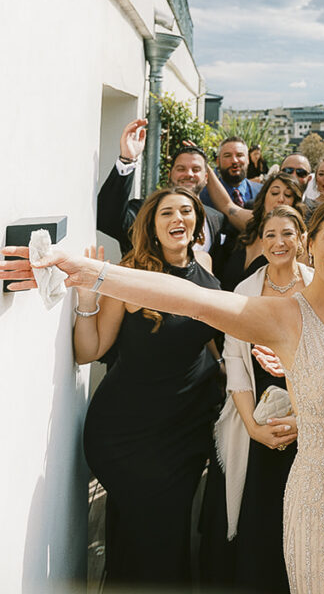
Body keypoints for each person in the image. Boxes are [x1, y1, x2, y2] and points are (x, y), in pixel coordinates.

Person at [3, 198, 324, 593]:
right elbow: (193, 300)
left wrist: (311, 418)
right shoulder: (284, 316)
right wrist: (88, 270)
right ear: (310, 244)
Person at [58, 188, 223, 587]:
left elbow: (210, 339)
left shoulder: (206, 265)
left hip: (186, 430)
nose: (177, 218)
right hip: (128, 435)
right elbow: (89, 351)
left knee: (169, 531)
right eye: (167, 212)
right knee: (144, 533)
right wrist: (86, 299)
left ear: (198, 222)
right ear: (151, 224)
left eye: (187, 210)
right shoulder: (131, 275)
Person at [215, 205, 311, 593]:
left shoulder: (320, 286)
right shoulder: (245, 290)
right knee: (264, 515)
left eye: (287, 233)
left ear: (303, 239)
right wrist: (254, 429)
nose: (278, 242)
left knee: (305, 519)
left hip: (313, 420)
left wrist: (306, 419)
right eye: (270, 235)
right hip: (261, 417)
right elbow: (235, 363)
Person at [97, 118, 226, 259]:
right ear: (170, 174)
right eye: (181, 168)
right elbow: (107, 219)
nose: (189, 174)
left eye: (196, 169)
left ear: (206, 177)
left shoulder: (217, 219)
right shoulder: (144, 210)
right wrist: (127, 160)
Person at [204, 172, 306, 292]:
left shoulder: (299, 240)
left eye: (288, 195)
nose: (281, 199)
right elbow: (226, 205)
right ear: (264, 197)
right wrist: (204, 162)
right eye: (275, 193)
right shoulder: (250, 223)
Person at [201, 137, 262, 208]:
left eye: (239, 155)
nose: (234, 161)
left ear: (248, 159)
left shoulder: (263, 192)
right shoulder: (203, 196)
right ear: (218, 161)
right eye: (228, 156)